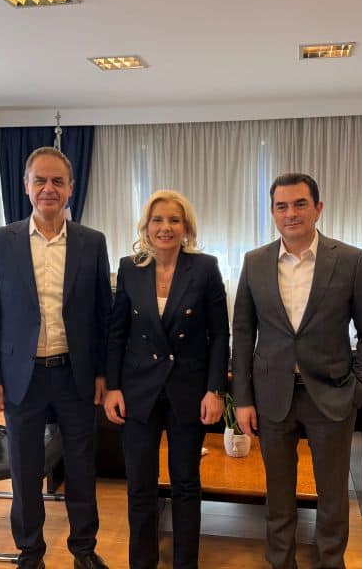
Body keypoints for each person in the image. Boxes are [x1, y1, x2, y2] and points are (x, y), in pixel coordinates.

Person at [232, 173, 362, 569]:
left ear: (318, 208)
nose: (291, 213)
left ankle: (330, 562)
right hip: (272, 396)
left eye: (300, 204)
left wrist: (360, 389)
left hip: (332, 395)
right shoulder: (254, 262)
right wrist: (243, 399)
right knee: (278, 495)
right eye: (281, 206)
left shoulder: (349, 260)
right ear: (272, 212)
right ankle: (280, 562)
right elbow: (243, 334)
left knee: (332, 497)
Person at [0, 146, 111, 569]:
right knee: (25, 469)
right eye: (40, 180)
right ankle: (30, 551)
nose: (48, 188)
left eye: (57, 181)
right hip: (22, 377)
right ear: (26, 186)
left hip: (75, 375)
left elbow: (103, 315)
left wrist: (103, 372)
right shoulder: (1, 241)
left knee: (81, 467)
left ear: (71, 188)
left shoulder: (92, 242)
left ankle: (83, 549)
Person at [104, 189, 229, 569]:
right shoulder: (129, 268)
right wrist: (112, 387)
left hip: (187, 389)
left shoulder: (205, 268)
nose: (165, 227)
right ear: (146, 226)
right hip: (138, 389)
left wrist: (215, 390)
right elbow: (117, 333)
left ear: (186, 227)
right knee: (140, 485)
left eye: (174, 220)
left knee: (185, 484)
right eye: (157, 220)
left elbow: (219, 335)